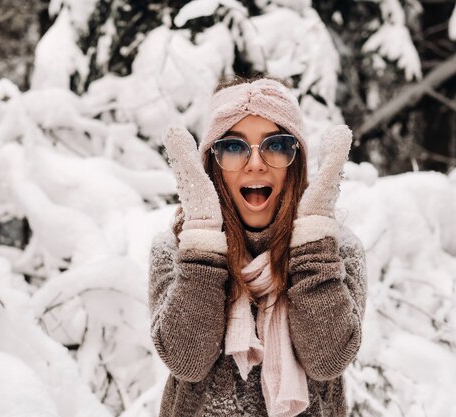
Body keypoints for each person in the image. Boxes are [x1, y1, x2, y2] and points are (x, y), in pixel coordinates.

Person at [148, 77, 367, 417]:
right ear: (211, 163)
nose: (255, 163)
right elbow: (186, 362)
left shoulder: (336, 251)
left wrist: (312, 240)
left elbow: (327, 361)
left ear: (297, 159)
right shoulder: (176, 250)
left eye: (276, 145)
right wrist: (203, 240)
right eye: (234, 147)